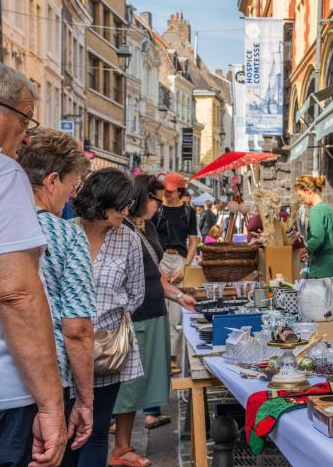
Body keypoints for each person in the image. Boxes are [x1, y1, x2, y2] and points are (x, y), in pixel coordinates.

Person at [0, 60, 67, 467]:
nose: (25, 137)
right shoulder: (0, 172)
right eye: (24, 119)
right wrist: (52, 406)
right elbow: (15, 292)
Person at [18, 129, 97, 453]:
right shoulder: (67, 235)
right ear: (52, 181)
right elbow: (77, 329)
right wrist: (85, 400)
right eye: (71, 186)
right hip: (48, 381)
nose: (71, 196)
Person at [110, 175, 196, 466]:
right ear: (140, 197)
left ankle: (124, 446)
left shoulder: (146, 226)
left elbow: (154, 271)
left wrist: (177, 296)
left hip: (154, 306)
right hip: (137, 313)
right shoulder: (123, 227)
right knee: (130, 382)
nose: (159, 205)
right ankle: (120, 447)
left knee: (144, 380)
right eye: (155, 199)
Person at [66, 168, 145, 467]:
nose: (126, 211)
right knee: (66, 428)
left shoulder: (128, 239)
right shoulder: (67, 233)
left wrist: (108, 319)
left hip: (107, 349)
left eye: (129, 204)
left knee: (97, 430)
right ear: (101, 201)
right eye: (120, 204)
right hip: (66, 347)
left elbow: (136, 295)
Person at [152, 172, 198, 376]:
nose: (166, 194)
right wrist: (156, 266)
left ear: (179, 191)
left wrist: (185, 267)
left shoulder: (188, 211)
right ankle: (161, 357)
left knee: (177, 315)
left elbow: (193, 241)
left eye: (170, 191)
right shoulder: (157, 210)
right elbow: (150, 237)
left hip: (178, 259)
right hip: (160, 259)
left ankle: (173, 358)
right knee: (159, 308)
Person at [294, 175, 333, 279]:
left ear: (308, 191)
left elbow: (317, 238)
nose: (301, 200)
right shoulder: (328, 209)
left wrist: (304, 250)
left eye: (301, 195)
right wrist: (310, 251)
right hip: (332, 263)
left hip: (321, 267)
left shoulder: (315, 210)